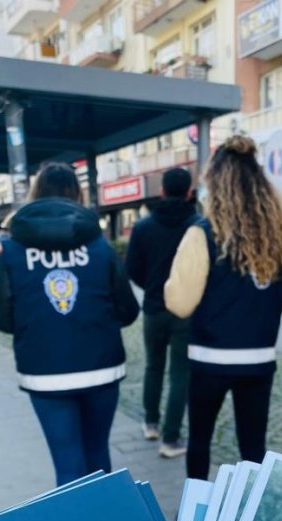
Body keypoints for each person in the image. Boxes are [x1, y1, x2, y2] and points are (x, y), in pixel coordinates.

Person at [0, 162, 139, 485]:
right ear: (77, 195)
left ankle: (75, 519)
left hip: (44, 372)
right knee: (98, 455)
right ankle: (107, 515)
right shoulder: (100, 247)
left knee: (67, 466)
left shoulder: (13, 251)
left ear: (36, 194)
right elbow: (128, 310)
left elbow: (0, 318)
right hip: (101, 367)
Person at [165, 135, 282, 481]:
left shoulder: (203, 233)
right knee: (253, 447)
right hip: (259, 359)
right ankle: (252, 509)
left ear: (214, 183)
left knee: (200, 442)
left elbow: (179, 303)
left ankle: (198, 505)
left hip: (210, 358)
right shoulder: (278, 235)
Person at [125, 167, 198, 458]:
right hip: (186, 310)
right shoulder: (197, 226)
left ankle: (151, 423)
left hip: (154, 307)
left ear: (162, 191)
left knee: (153, 367)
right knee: (180, 373)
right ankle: (171, 438)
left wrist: (153, 287)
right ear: (189, 192)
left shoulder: (143, 227)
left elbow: (132, 268)